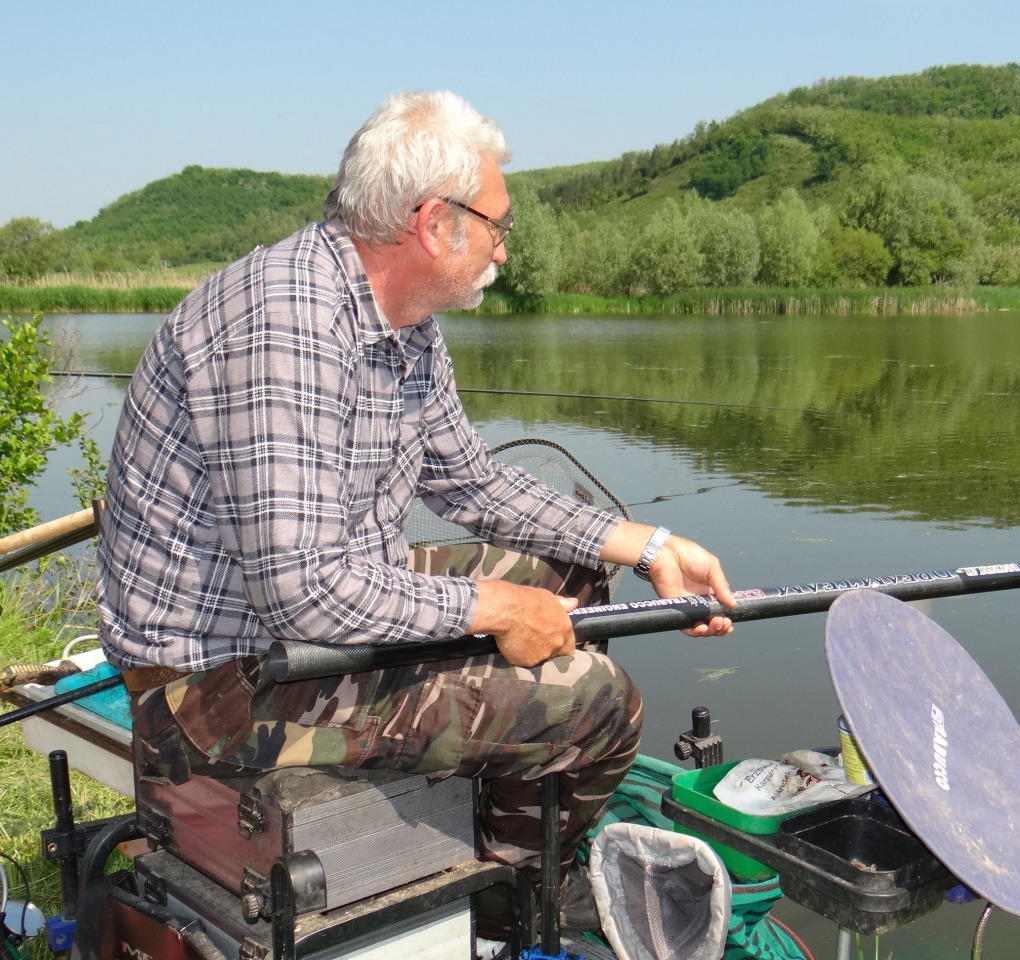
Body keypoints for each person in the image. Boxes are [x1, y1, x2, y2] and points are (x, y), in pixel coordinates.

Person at [95, 90, 734, 937]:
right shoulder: (284, 325)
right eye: (498, 226)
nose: (505, 247)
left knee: (575, 576)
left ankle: (497, 797)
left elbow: (470, 484)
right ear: (435, 223)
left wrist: (650, 546)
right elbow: (304, 593)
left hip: (299, 626)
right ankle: (517, 893)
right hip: (217, 689)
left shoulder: (403, 325)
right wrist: (500, 610)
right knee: (602, 699)